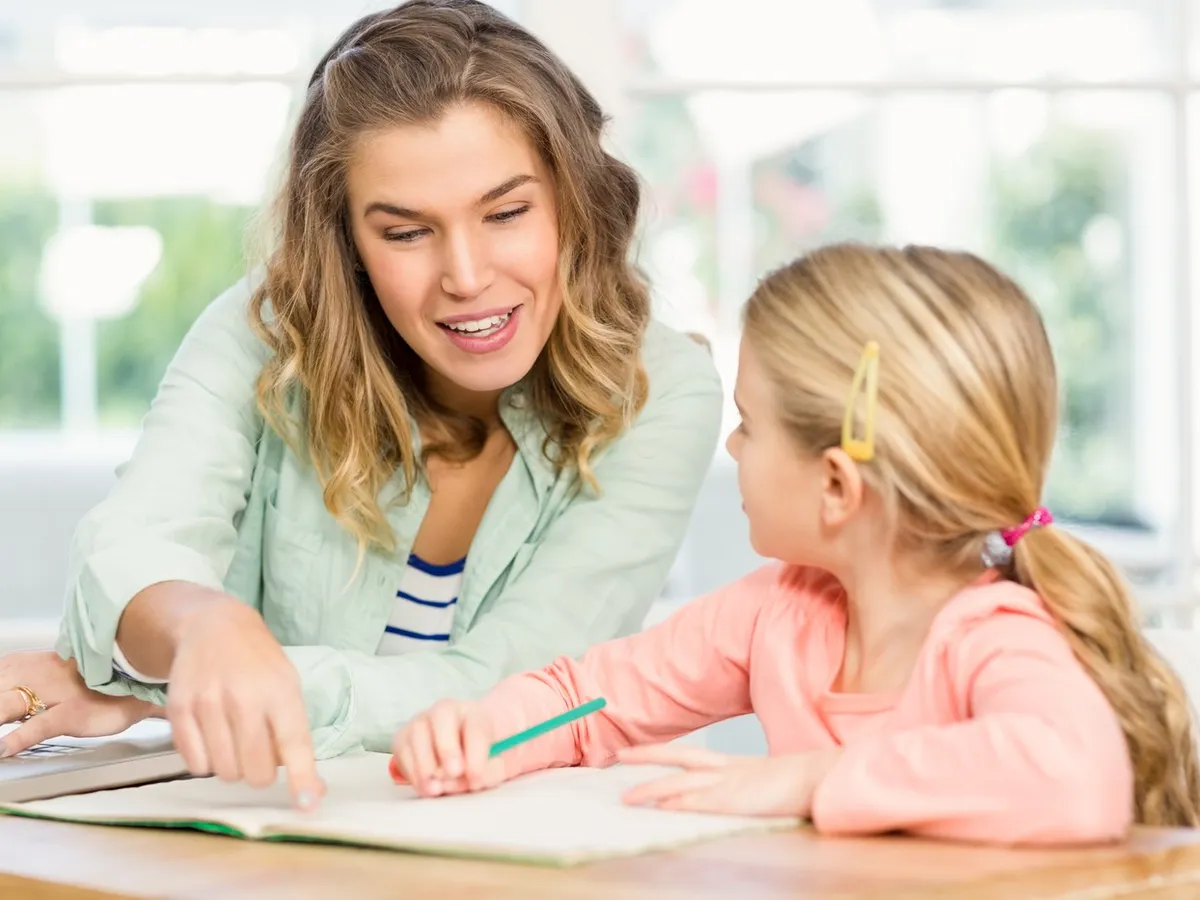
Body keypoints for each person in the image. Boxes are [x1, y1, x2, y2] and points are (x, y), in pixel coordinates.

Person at [0, 0, 723, 811]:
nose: (467, 276)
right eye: (406, 232)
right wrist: (204, 629)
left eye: (507, 212)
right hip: (288, 834)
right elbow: (133, 549)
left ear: (574, 200)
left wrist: (162, 693)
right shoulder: (265, 333)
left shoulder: (661, 391)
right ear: (345, 241)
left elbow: (510, 686)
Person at [392, 243, 1200, 844]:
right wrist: (486, 734)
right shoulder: (776, 613)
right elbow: (585, 702)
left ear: (838, 487)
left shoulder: (994, 636)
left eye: (751, 424)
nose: (735, 448)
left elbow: (1077, 779)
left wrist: (815, 779)